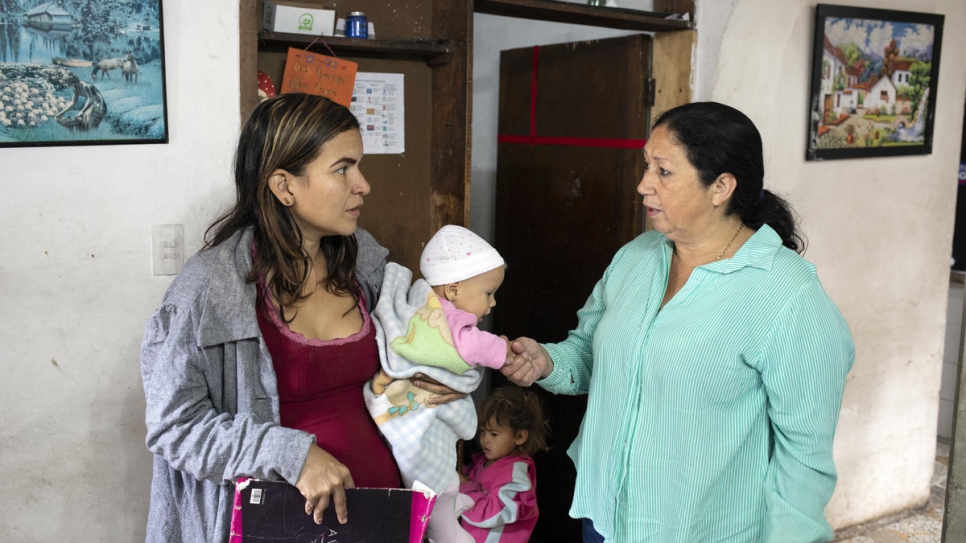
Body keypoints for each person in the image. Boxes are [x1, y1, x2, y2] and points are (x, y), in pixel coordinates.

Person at [500, 101, 855, 542]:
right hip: (604, 518)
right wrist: (547, 363)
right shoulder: (636, 258)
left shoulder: (788, 294)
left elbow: (804, 455)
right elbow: (590, 352)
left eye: (663, 172)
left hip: (702, 530)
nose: (643, 185)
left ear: (721, 187)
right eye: (646, 165)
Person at [139, 93, 463, 543]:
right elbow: (175, 425)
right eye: (343, 168)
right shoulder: (210, 289)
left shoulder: (365, 264)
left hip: (384, 520)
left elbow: (405, 355)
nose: (363, 184)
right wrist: (293, 456)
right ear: (284, 185)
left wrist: (429, 376)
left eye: (359, 166)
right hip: (276, 529)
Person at [364, 224, 512, 543]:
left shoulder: (424, 305)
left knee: (444, 469)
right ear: (454, 289)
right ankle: (443, 530)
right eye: (488, 293)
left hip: (407, 402)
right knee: (436, 472)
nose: (493, 303)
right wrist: (505, 351)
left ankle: (446, 506)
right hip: (414, 411)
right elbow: (471, 345)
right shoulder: (445, 317)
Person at [459, 385, 548, 543]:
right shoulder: (485, 460)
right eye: (483, 431)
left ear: (519, 436)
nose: (485, 439)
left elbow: (490, 514)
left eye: (494, 434)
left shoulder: (516, 474)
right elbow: (474, 479)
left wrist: (464, 486)